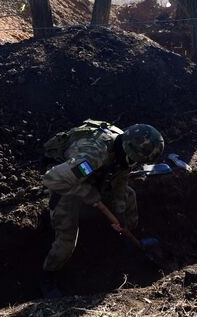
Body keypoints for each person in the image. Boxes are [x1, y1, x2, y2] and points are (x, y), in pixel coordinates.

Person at [40, 120, 164, 297]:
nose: (135, 164)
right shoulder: (92, 156)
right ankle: (48, 275)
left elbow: (121, 180)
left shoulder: (125, 148)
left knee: (129, 196)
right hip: (65, 182)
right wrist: (87, 193)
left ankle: (128, 239)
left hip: (93, 175)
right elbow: (52, 179)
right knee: (66, 242)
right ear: (128, 150)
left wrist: (119, 213)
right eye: (137, 160)